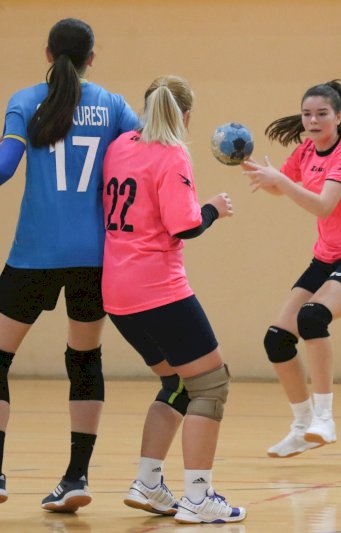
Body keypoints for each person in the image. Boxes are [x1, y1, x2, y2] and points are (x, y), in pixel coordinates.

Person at [0, 18, 140, 511]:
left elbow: (3, 169)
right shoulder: (114, 105)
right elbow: (143, 163)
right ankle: (76, 477)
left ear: (46, 53)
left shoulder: (22, 101)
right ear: (91, 59)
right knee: (84, 360)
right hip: (94, 258)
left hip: (33, 255)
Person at [102, 75, 245, 524]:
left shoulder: (120, 144)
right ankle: (199, 497)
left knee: (178, 384)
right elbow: (184, 225)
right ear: (184, 116)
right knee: (211, 384)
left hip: (117, 293)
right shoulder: (172, 153)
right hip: (158, 289)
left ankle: (148, 483)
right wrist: (215, 209)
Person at [241, 80, 341, 458]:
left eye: (322, 114)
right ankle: (302, 426)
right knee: (277, 339)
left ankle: (325, 418)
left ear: (339, 117)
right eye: (307, 114)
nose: (313, 120)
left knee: (312, 317)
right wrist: (264, 176)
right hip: (325, 260)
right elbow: (283, 186)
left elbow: (323, 205)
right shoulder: (307, 149)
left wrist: (283, 183)